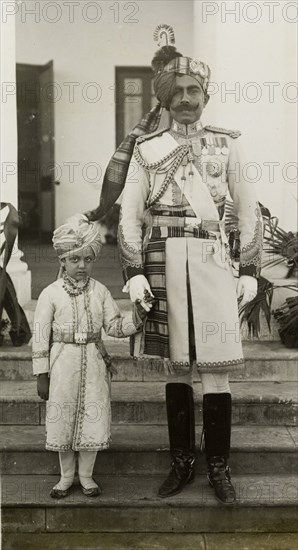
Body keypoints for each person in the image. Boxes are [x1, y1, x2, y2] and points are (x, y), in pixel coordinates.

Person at [117, 28, 263, 504]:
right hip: (162, 263)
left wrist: (248, 270)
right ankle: (181, 463)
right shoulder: (147, 149)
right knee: (177, 371)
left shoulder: (227, 145)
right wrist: (133, 271)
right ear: (164, 97)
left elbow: (248, 210)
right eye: (176, 92)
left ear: (205, 96)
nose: (185, 100)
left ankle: (218, 466)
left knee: (216, 373)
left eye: (193, 91)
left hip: (215, 264)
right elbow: (129, 214)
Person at [32, 213, 148, 498]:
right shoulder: (50, 294)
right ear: (62, 261)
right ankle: (65, 477)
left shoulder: (101, 292)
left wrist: (138, 318)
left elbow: (114, 326)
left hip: (95, 365)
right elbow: (40, 335)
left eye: (87, 259)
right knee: (63, 418)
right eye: (74, 260)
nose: (81, 265)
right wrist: (41, 374)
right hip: (61, 365)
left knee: (92, 418)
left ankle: (86, 476)